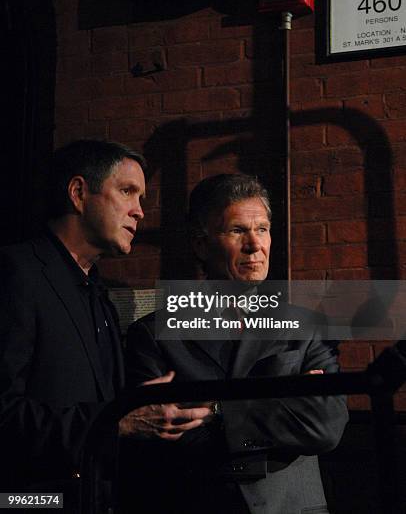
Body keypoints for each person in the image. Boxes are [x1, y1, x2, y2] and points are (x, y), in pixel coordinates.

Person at [0, 139, 211, 513]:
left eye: (142, 198)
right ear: (79, 193)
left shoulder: (100, 296)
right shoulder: (15, 273)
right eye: (128, 192)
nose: (140, 212)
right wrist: (116, 420)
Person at [123, 173, 349, 514]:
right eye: (237, 230)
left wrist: (217, 411)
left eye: (262, 229)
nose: (254, 245)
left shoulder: (305, 327)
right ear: (201, 244)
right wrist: (283, 406)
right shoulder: (153, 335)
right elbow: (164, 442)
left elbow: (326, 426)